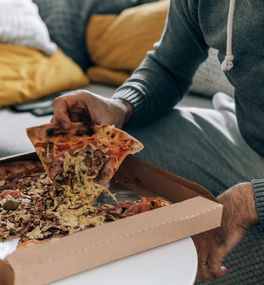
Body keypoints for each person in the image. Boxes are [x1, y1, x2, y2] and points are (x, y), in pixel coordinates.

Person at [50, 0, 264, 283]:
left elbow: (247, 201)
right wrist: (120, 108)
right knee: (90, 149)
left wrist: (250, 199)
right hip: (248, 136)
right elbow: (168, 67)